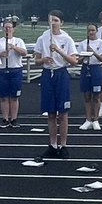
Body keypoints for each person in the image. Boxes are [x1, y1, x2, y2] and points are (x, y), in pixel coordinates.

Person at [34, 10, 79, 158]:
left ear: (61, 22)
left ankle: (63, 144)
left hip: (61, 73)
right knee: (51, 113)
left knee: (63, 112)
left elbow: (73, 61)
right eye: (51, 20)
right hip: (48, 74)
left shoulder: (67, 39)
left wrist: (58, 50)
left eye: (56, 20)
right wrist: (44, 59)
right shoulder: (43, 38)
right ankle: (52, 144)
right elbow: (36, 60)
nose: (53, 23)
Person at [0, 18, 28, 128]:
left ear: (13, 29)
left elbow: (24, 52)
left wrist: (14, 47)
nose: (8, 29)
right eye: (6, 27)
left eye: (10, 27)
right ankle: (5, 118)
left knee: (14, 97)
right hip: (2, 70)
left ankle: (14, 118)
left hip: (15, 70)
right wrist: (0, 54)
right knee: (3, 97)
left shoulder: (18, 41)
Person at [76, 24, 102, 131]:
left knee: (96, 95)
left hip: (96, 69)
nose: (91, 32)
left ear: (96, 31)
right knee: (87, 95)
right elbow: (78, 60)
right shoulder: (83, 43)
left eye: (93, 30)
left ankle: (96, 120)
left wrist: (93, 52)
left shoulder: (101, 43)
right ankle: (88, 119)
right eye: (89, 30)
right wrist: (84, 55)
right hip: (86, 68)